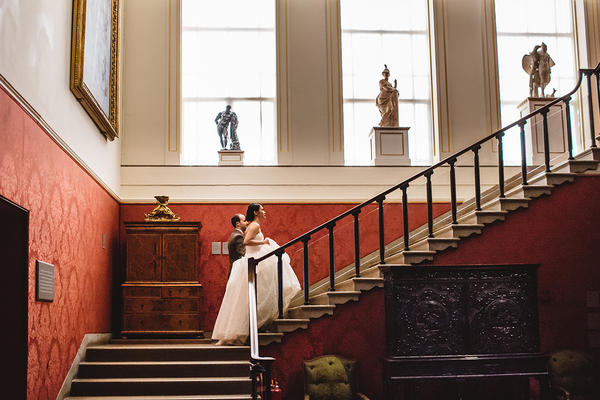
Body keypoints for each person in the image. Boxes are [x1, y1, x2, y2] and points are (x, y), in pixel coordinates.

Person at [213, 203, 301, 345]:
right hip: (253, 259)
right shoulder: (255, 226)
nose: (264, 212)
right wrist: (264, 242)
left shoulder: (252, 225)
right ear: (255, 212)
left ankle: (250, 326)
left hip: (251, 259)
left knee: (256, 295)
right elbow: (246, 242)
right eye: (262, 210)